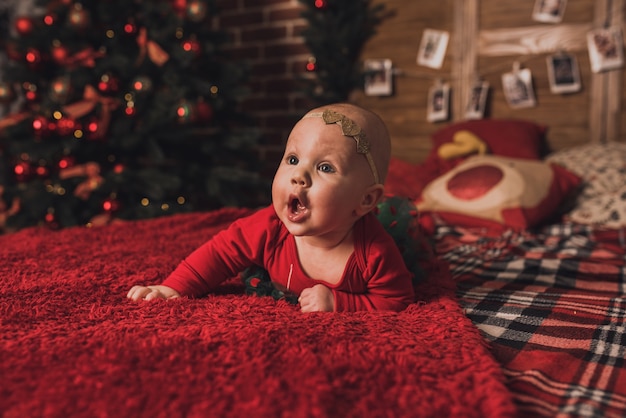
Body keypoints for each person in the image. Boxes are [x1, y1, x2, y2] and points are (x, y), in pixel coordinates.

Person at [127, 103, 416, 312]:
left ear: (364, 200)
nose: (298, 175)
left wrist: (340, 302)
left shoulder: (374, 253)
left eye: (325, 167)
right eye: (292, 159)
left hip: (380, 241)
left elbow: (396, 300)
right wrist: (173, 288)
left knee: (408, 237)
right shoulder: (270, 227)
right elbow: (221, 252)